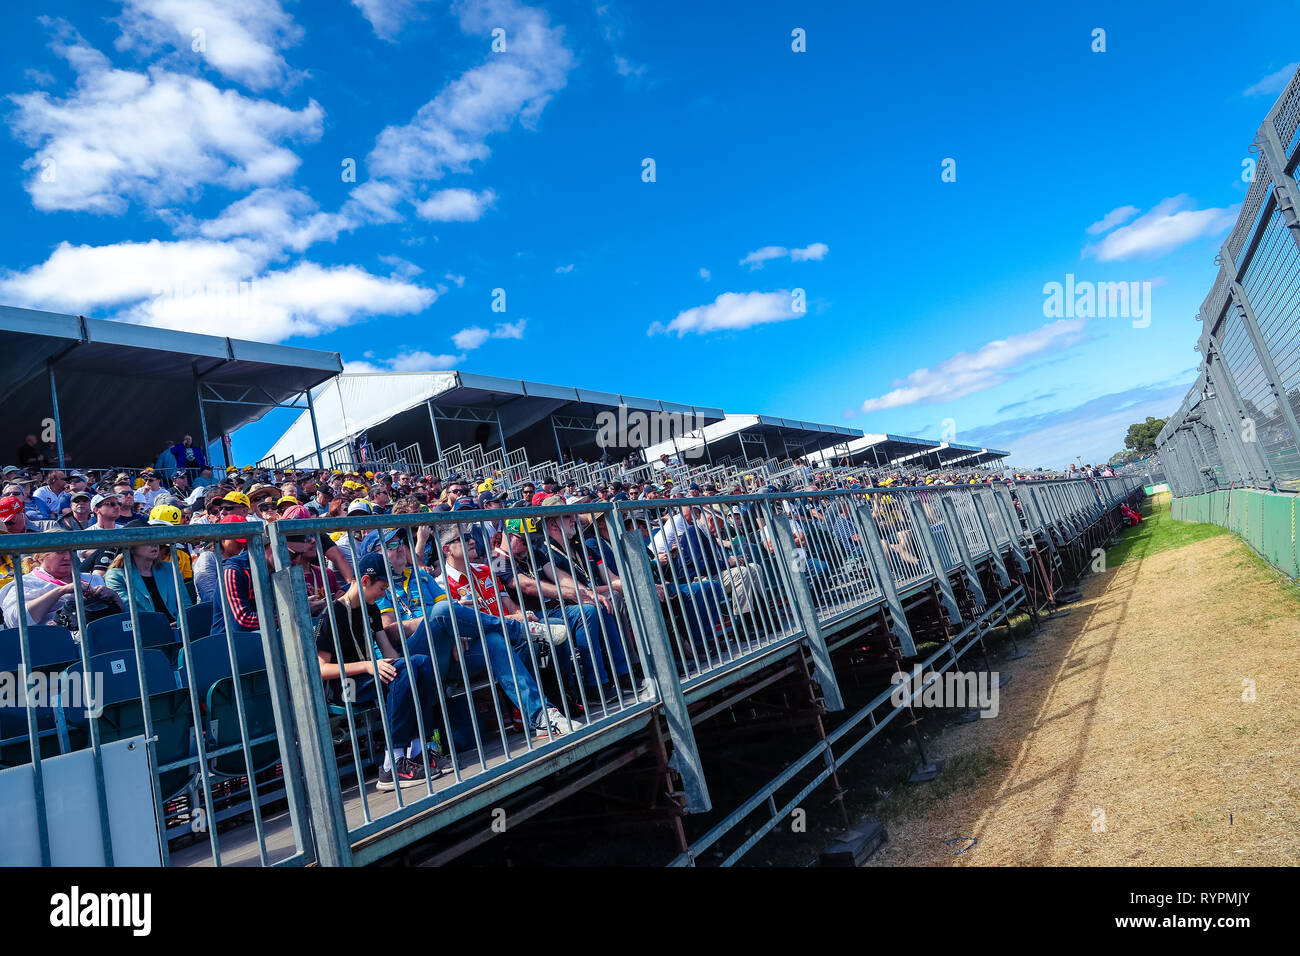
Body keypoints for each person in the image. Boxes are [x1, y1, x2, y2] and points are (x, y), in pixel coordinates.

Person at [314, 553, 448, 791]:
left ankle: (419, 751)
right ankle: (391, 763)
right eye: (382, 588)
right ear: (365, 581)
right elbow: (321, 669)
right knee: (403, 671)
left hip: (369, 675)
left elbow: (390, 652)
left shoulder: (372, 610)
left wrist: (412, 668)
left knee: (420, 663)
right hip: (344, 687)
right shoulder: (332, 614)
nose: (384, 594)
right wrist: (368, 665)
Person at [1, 546, 118, 628]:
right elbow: (16, 621)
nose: (68, 557)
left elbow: (121, 616)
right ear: (41, 557)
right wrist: (61, 591)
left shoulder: (93, 579)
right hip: (50, 653)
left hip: (98, 644)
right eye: (60, 552)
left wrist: (114, 597)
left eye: (71, 551)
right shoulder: (24, 584)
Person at [104, 523, 191, 625]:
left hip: (179, 631)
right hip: (145, 632)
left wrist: (180, 625)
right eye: (146, 540)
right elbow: (129, 611)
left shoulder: (170, 569)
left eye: (155, 539)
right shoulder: (116, 576)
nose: (154, 544)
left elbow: (186, 605)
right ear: (130, 548)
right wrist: (163, 627)